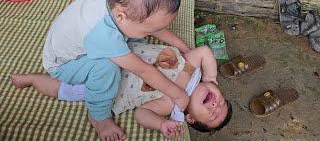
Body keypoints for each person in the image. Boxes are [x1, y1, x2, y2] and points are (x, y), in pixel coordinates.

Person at [10, 0, 190, 141]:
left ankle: (30, 78)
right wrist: (177, 93)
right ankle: (98, 117)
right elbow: (144, 70)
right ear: (121, 16)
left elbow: (155, 28)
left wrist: (183, 47)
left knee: (132, 41)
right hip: (64, 64)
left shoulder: (119, 1)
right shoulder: (103, 33)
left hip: (68, 44)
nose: (151, 34)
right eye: (148, 31)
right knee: (107, 68)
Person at [12, 43, 232, 138]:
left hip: (107, 84)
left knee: (69, 90)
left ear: (191, 118)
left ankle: (31, 79)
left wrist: (161, 123)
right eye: (221, 103)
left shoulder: (171, 106)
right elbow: (204, 51)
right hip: (121, 53)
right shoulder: (193, 69)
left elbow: (141, 114)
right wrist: (211, 78)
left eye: (213, 113)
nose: (215, 105)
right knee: (84, 53)